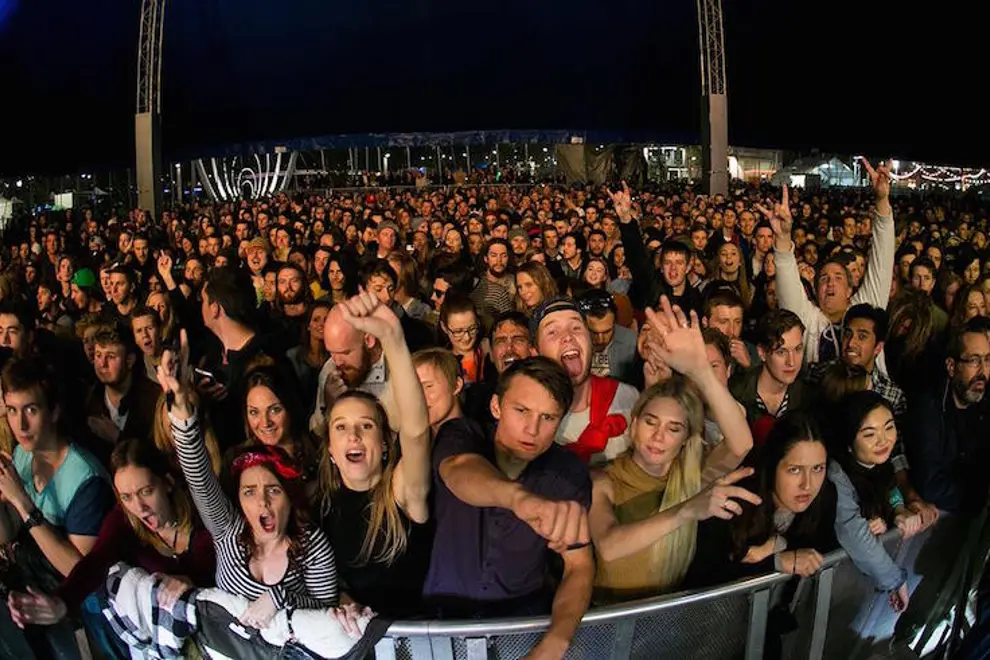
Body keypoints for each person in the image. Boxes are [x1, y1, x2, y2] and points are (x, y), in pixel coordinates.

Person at [423, 357, 594, 660]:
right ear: (496, 407)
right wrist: (520, 500)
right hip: (441, 622)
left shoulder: (568, 473)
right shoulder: (463, 434)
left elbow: (579, 566)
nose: (532, 429)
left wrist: (556, 641)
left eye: (548, 417)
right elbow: (459, 471)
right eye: (521, 411)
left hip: (522, 624)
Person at [159, 338, 339, 624]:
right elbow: (199, 478)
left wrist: (280, 598)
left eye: (273, 490)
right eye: (249, 491)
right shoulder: (230, 528)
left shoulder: (313, 541)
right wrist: (180, 403)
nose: (261, 501)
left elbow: (328, 613)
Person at [589, 297, 756, 601]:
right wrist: (687, 510)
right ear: (634, 425)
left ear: (685, 438)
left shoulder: (690, 478)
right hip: (610, 619)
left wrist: (701, 371)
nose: (659, 436)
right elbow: (609, 546)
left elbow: (741, 443)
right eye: (651, 422)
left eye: (674, 428)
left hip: (667, 620)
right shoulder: (603, 479)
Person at [6, 440, 217, 653]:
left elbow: (211, 565)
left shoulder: (204, 517)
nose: (139, 507)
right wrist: (61, 601)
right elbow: (96, 561)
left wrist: (191, 581)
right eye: (126, 497)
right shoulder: (123, 520)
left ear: (167, 483)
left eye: (146, 491)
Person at [319, 291, 433, 618]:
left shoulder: (402, 492)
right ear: (330, 448)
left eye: (366, 426)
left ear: (384, 443)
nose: (353, 435)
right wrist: (340, 596)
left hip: (408, 639)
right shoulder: (321, 504)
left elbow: (416, 432)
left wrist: (394, 340)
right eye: (341, 427)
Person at [0, 357, 115, 658]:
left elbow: (79, 572)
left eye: (31, 410)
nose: (20, 425)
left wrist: (22, 502)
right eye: (12, 410)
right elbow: (7, 532)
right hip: (33, 597)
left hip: (76, 616)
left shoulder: (85, 479)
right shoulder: (23, 454)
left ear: (54, 411)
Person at [685, 412, 837, 588]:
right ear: (772, 466)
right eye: (794, 470)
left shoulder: (825, 498)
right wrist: (775, 563)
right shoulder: (733, 503)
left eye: (817, 468)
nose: (807, 485)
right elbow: (704, 581)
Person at [766, 161, 895, 365]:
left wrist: (882, 200)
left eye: (838, 278)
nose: (830, 283)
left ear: (849, 290)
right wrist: (782, 238)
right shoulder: (807, 319)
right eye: (824, 279)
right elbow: (788, 285)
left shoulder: (866, 308)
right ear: (816, 291)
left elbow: (883, 262)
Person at [826, 392, 919, 613]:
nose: (883, 440)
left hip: (858, 585)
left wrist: (899, 509)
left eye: (889, 427)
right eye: (869, 434)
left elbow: (890, 489)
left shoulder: (881, 464)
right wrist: (896, 580)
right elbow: (853, 531)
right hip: (827, 587)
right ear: (849, 441)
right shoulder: (835, 475)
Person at [533, 298, 639, 465]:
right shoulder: (530, 420)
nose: (568, 337)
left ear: (590, 341)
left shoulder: (627, 397)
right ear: (535, 353)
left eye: (576, 327)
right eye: (552, 332)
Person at [902, 320, 990, 515]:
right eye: (974, 361)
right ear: (951, 366)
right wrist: (982, 495)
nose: (983, 371)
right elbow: (931, 485)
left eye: (987, 360)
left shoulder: (984, 404)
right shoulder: (927, 409)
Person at [82, 323, 162, 466]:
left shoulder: (154, 399)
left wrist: (118, 437)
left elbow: (160, 457)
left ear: (130, 360)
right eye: (98, 355)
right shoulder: (88, 401)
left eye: (111, 356)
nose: (102, 364)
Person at [576, 289, 638, 386]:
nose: (600, 340)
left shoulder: (633, 344)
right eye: (593, 332)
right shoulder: (569, 345)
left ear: (615, 322)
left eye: (607, 331)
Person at [438, 294, 489, 386]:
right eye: (458, 331)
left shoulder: (488, 350)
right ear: (444, 327)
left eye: (472, 328)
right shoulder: (441, 363)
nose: (467, 337)